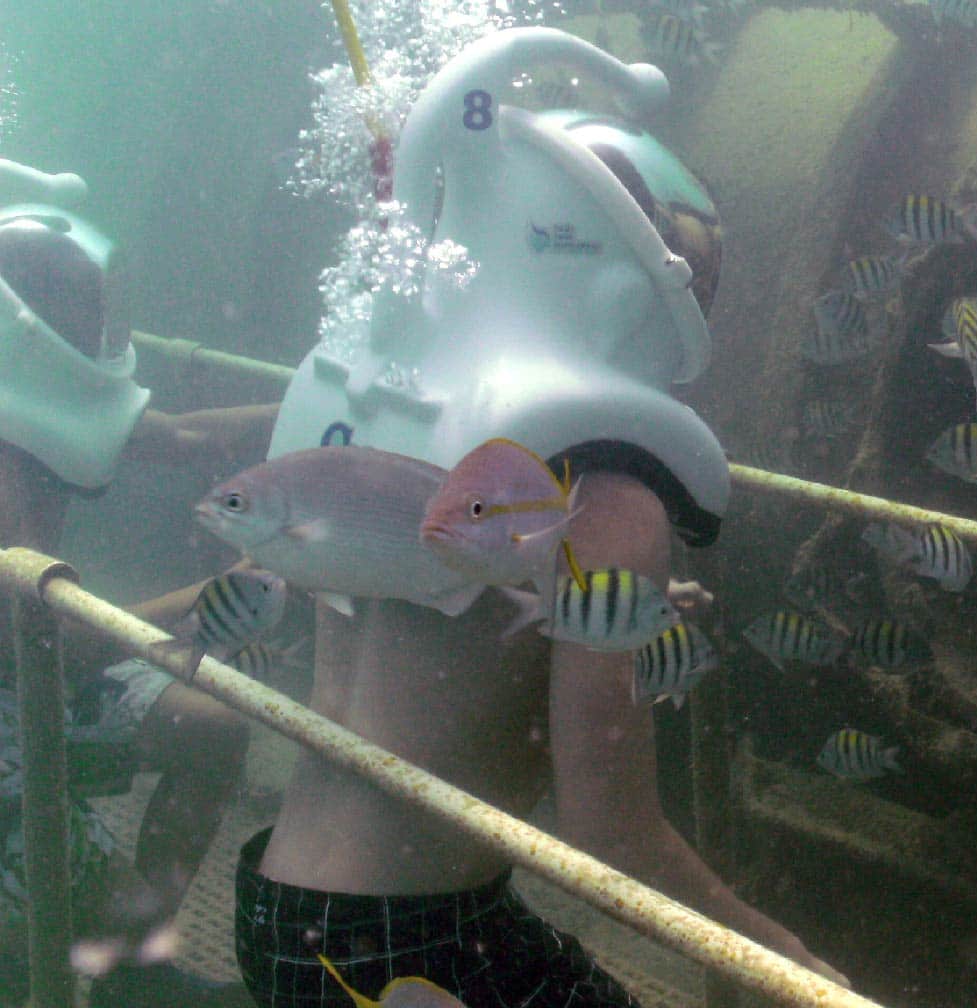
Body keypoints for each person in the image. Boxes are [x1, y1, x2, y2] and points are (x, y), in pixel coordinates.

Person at [232, 29, 838, 1008]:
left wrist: (591, 611)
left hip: (282, 914)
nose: (698, 280)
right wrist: (790, 965)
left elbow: (436, 611)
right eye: (684, 251)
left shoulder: (403, 405)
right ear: (619, 276)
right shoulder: (610, 483)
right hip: (404, 951)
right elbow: (613, 832)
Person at [0, 157, 278, 1006]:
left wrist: (342, 411)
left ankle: (133, 962)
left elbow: (190, 439)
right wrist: (227, 592)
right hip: (20, 681)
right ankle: (85, 934)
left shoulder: (33, 389)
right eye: (88, 313)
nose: (106, 331)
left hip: (31, 671)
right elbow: (49, 640)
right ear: (32, 321)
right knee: (39, 949)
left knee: (214, 723)